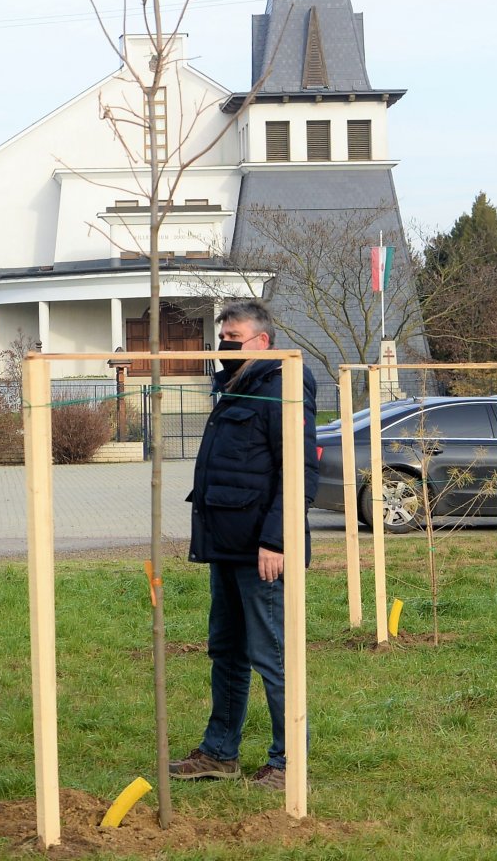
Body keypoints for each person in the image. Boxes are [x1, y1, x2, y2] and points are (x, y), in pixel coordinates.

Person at [168, 300, 318, 791]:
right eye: (223, 337)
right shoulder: (235, 385)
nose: (223, 346)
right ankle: (219, 753)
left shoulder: (283, 383)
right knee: (226, 651)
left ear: (262, 341)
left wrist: (276, 539)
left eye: (233, 338)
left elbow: (299, 470)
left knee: (271, 654)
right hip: (227, 546)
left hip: (264, 551)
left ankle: (288, 762)